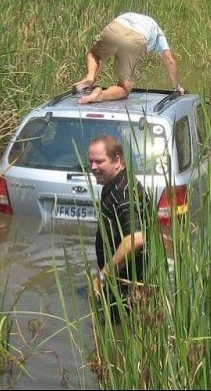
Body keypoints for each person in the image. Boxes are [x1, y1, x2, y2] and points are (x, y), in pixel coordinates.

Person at [88, 135, 152, 322]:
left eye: (99, 161)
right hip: (120, 283)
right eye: (90, 161)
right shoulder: (115, 185)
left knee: (114, 339)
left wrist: (103, 275)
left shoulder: (123, 193)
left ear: (117, 161)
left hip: (129, 289)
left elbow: (136, 239)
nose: (93, 167)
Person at [72, 12, 185, 104]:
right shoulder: (158, 33)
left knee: (94, 54)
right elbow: (169, 60)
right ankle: (100, 95)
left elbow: (101, 60)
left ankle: (89, 77)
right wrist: (176, 86)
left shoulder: (133, 16)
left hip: (117, 25)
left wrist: (94, 77)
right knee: (124, 89)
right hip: (136, 38)